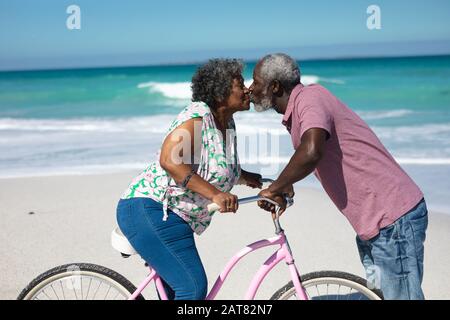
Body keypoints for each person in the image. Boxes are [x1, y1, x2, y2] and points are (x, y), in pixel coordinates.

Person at [249, 53, 428, 300]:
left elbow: (311, 151)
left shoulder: (310, 98)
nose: (251, 88)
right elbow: (312, 158)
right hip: (375, 225)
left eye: (256, 82)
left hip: (392, 219)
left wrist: (276, 186)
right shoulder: (301, 109)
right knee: (378, 295)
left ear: (275, 86)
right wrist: (284, 188)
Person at [117, 58, 262, 300]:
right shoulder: (197, 116)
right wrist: (216, 195)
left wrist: (249, 178)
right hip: (151, 209)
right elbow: (170, 161)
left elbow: (214, 166)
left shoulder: (226, 123)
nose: (247, 89)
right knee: (192, 289)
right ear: (220, 91)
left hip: (176, 218)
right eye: (240, 84)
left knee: (181, 293)